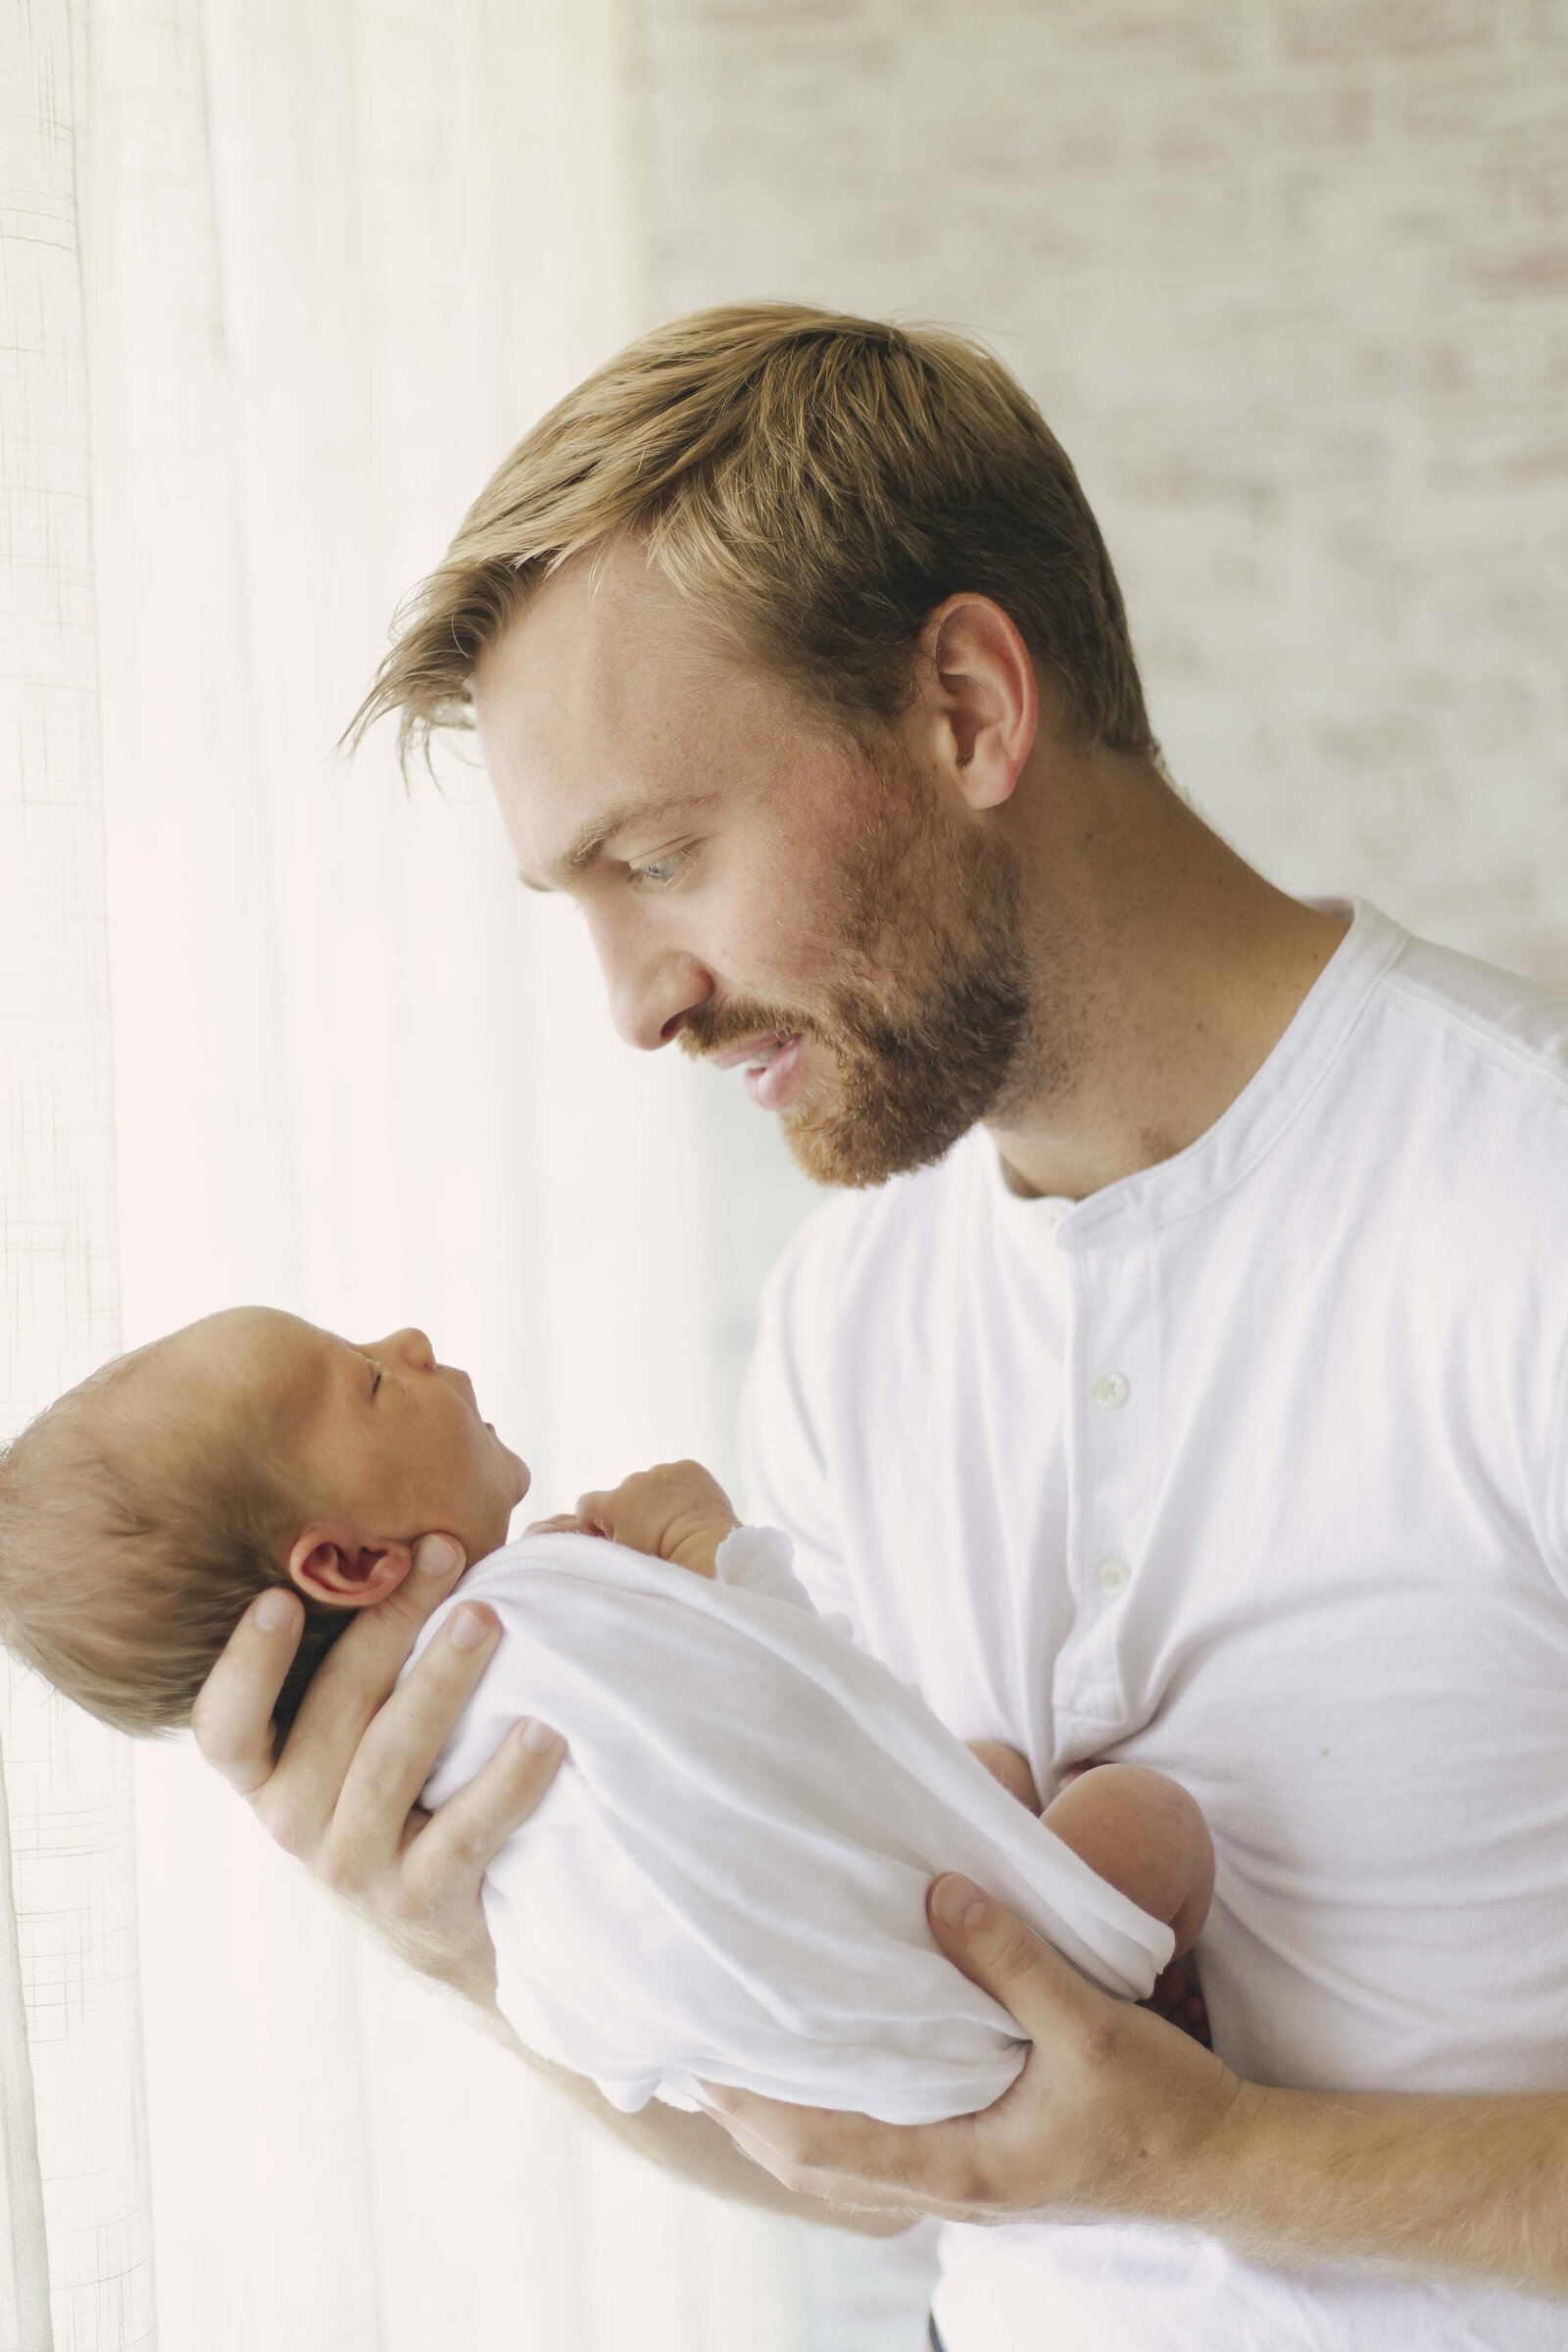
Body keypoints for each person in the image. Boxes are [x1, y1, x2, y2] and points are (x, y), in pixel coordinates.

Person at [190, 305, 1568, 2347]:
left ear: (963, 708)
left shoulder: (1518, 1216)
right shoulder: (855, 1315)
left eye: (656, 860)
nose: (632, 1004)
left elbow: (1112, 2152)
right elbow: (896, 2136)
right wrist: (475, 1938)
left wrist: (1208, 2161)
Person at [0, 1308, 1208, 2126]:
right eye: (367, 1377)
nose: (408, 1339)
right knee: (1137, 1815)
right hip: (969, 2008)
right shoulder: (536, 1602)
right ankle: (1148, 1988)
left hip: (838, 2099)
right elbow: (806, 1696)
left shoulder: (423, 1804)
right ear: (353, 1565)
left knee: (986, 1767)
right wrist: (712, 1553)